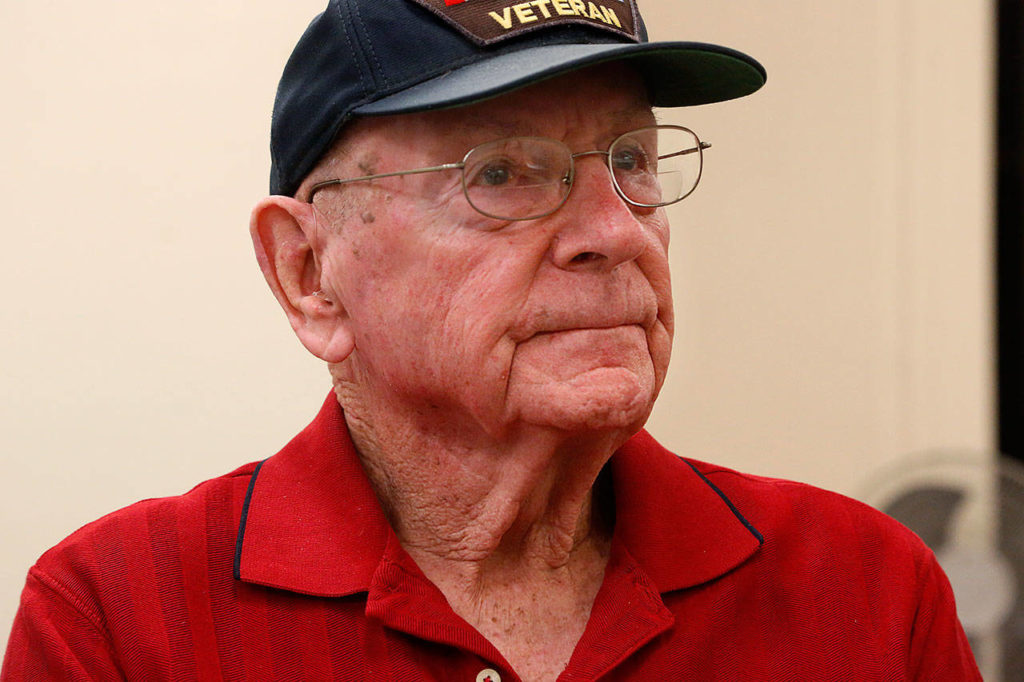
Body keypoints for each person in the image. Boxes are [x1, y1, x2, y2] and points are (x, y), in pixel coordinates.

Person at [2, 0, 981, 680]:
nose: (618, 229)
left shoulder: (865, 588)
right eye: (506, 172)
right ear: (307, 271)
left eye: (632, 160)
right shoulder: (123, 617)